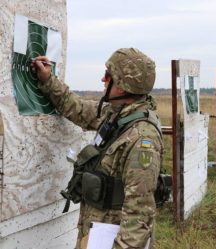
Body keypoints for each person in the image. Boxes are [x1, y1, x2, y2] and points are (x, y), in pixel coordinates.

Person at [32, 48, 164, 249]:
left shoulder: (142, 138)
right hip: (97, 232)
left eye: (108, 76)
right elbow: (76, 108)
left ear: (121, 86)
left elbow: (140, 213)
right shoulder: (117, 116)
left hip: (112, 237)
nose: (103, 80)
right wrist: (48, 80)